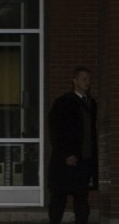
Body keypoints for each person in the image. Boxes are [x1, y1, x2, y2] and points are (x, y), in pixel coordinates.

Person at [48, 66, 98, 224]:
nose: (87, 82)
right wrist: (66, 154)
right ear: (74, 81)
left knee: (82, 197)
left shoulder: (91, 103)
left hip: (85, 159)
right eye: (84, 79)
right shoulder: (63, 102)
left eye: (89, 79)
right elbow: (55, 130)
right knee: (59, 196)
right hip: (66, 159)